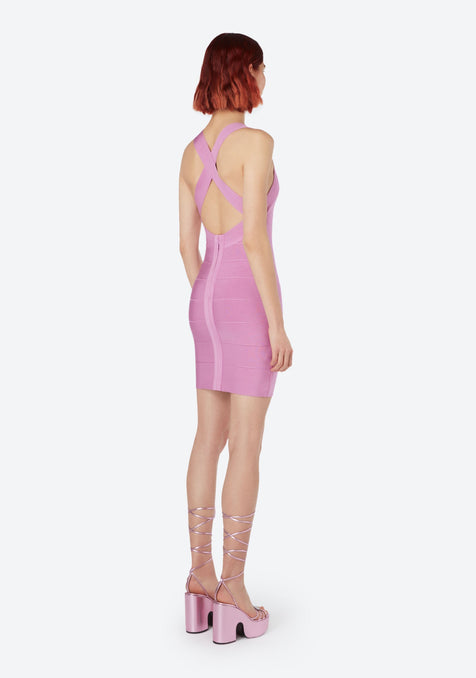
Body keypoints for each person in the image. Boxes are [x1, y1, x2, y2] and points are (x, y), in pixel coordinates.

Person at [179, 33, 293, 643]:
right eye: (261, 69)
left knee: (207, 439)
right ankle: (233, 589)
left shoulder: (190, 153)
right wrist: (275, 323)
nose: (265, 79)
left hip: (204, 299)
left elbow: (185, 246)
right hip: (246, 300)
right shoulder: (257, 142)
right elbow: (253, 239)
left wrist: (210, 302)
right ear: (245, 72)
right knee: (245, 443)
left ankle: (199, 577)